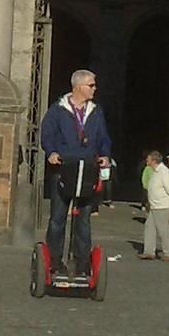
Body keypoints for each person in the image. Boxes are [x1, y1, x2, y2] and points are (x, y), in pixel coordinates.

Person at [39, 69, 112, 275]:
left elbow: (104, 138)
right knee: (57, 218)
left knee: (84, 219)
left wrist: (105, 154)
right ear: (78, 86)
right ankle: (54, 261)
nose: (95, 89)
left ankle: (82, 263)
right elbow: (47, 134)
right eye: (91, 85)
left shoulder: (96, 111)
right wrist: (52, 152)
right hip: (63, 169)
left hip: (88, 169)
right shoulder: (58, 110)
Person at [141, 149, 169, 262]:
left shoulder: (164, 172)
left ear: (153, 160)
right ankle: (149, 252)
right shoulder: (155, 171)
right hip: (155, 205)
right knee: (149, 227)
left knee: (163, 229)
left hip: (162, 205)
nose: (146, 161)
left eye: (148, 159)